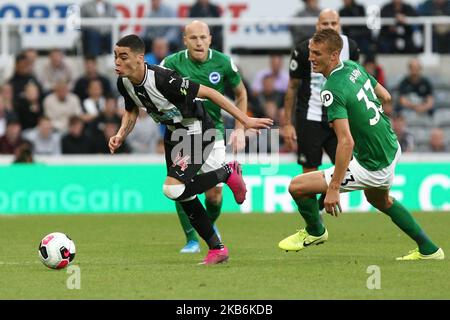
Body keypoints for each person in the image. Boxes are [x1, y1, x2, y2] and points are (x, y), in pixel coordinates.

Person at [278, 29, 444, 261]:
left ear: (334, 55)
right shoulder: (354, 67)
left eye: (317, 53)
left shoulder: (331, 90)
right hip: (390, 145)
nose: (310, 58)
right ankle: (429, 249)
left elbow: (346, 141)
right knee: (380, 200)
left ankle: (315, 232)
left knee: (296, 186)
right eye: (310, 52)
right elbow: (385, 96)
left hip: (371, 164)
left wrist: (334, 188)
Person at [110, 34, 272, 264]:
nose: (117, 62)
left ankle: (227, 172)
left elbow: (209, 93)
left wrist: (244, 120)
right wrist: (120, 134)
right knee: (184, 195)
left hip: (197, 129)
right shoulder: (124, 81)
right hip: (174, 135)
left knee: (172, 190)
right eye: (116, 56)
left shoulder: (164, 78)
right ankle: (217, 249)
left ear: (139, 58)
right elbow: (132, 110)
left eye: (123, 57)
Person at [161, 20, 249, 254]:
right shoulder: (171, 63)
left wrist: (240, 128)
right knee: (179, 185)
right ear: (185, 40)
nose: (199, 42)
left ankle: (208, 227)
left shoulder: (223, 63)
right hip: (181, 133)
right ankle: (191, 239)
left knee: (215, 193)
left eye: (203, 37)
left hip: (213, 131)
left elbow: (241, 93)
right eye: (193, 38)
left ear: (210, 39)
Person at [282, 9, 359, 209]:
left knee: (347, 168)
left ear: (339, 24)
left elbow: (354, 82)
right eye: (325, 24)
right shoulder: (302, 50)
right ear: (317, 26)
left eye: (334, 23)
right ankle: (314, 224)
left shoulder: (351, 47)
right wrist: (287, 123)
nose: (330, 27)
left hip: (339, 118)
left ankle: (319, 209)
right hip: (310, 117)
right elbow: (292, 87)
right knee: (309, 173)